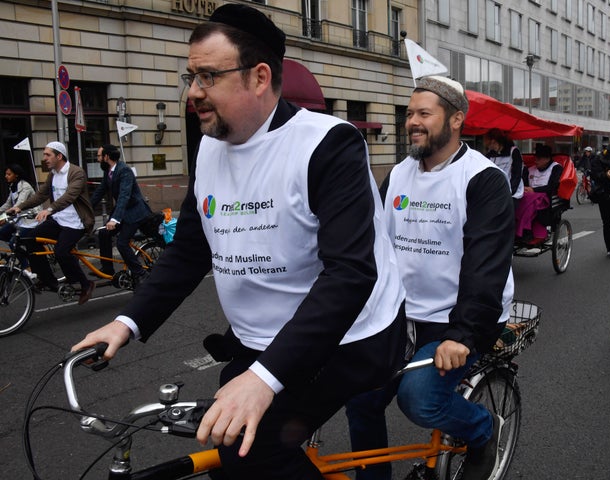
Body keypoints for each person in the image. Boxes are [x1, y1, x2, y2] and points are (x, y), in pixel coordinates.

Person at [71, 4, 406, 479]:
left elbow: (350, 274)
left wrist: (265, 379)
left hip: (349, 339)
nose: (193, 92)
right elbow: (189, 251)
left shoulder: (329, 144)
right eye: (190, 77)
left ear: (259, 77)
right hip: (262, 338)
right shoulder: (210, 146)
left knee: (256, 450)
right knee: (227, 441)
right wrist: (127, 322)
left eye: (207, 76)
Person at [345, 75, 515, 480]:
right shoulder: (400, 174)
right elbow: (374, 244)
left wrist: (462, 334)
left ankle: (484, 430)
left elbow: (485, 267)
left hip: (459, 318)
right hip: (400, 315)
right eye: (409, 114)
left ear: (456, 120)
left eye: (424, 113)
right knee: (359, 396)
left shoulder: (483, 178)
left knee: (419, 399)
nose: (412, 122)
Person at [7, 142, 95, 304]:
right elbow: (40, 195)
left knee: (62, 251)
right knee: (30, 239)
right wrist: (19, 207)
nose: (44, 158)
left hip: (76, 222)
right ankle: (47, 279)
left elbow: (70, 196)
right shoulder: (53, 174)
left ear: (59, 156)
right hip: (58, 219)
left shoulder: (76, 172)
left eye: (48, 155)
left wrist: (49, 210)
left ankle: (85, 284)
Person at [90, 144, 152, 281]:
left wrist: (115, 219)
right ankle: (107, 268)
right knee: (104, 233)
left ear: (107, 157)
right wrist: (86, 210)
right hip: (123, 211)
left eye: (100, 156)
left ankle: (141, 274)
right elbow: (100, 191)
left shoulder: (124, 171)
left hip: (135, 212)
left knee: (122, 243)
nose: (98, 159)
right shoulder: (109, 171)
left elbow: (124, 196)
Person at [514, 144, 563, 243]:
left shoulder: (556, 168)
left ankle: (525, 231)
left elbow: (553, 186)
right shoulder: (530, 169)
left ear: (547, 159)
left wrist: (534, 191)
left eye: (539, 159)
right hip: (530, 195)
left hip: (547, 196)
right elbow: (523, 183)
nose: (535, 161)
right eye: (535, 158)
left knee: (530, 202)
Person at [0, 164, 39, 247]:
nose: (6, 176)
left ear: (16, 175)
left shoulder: (25, 186)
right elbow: (8, 204)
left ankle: (20, 252)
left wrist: (4, 216)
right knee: (2, 233)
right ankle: (19, 248)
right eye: (6, 174)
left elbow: (19, 205)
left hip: (30, 220)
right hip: (19, 220)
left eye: (9, 174)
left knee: (13, 243)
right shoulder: (13, 186)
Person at [483, 128, 524, 205]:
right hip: (496, 193)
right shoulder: (490, 154)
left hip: (512, 193)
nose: (491, 147)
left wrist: (510, 192)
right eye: (490, 144)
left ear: (498, 141)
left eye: (493, 143)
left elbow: (517, 175)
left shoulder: (513, 152)